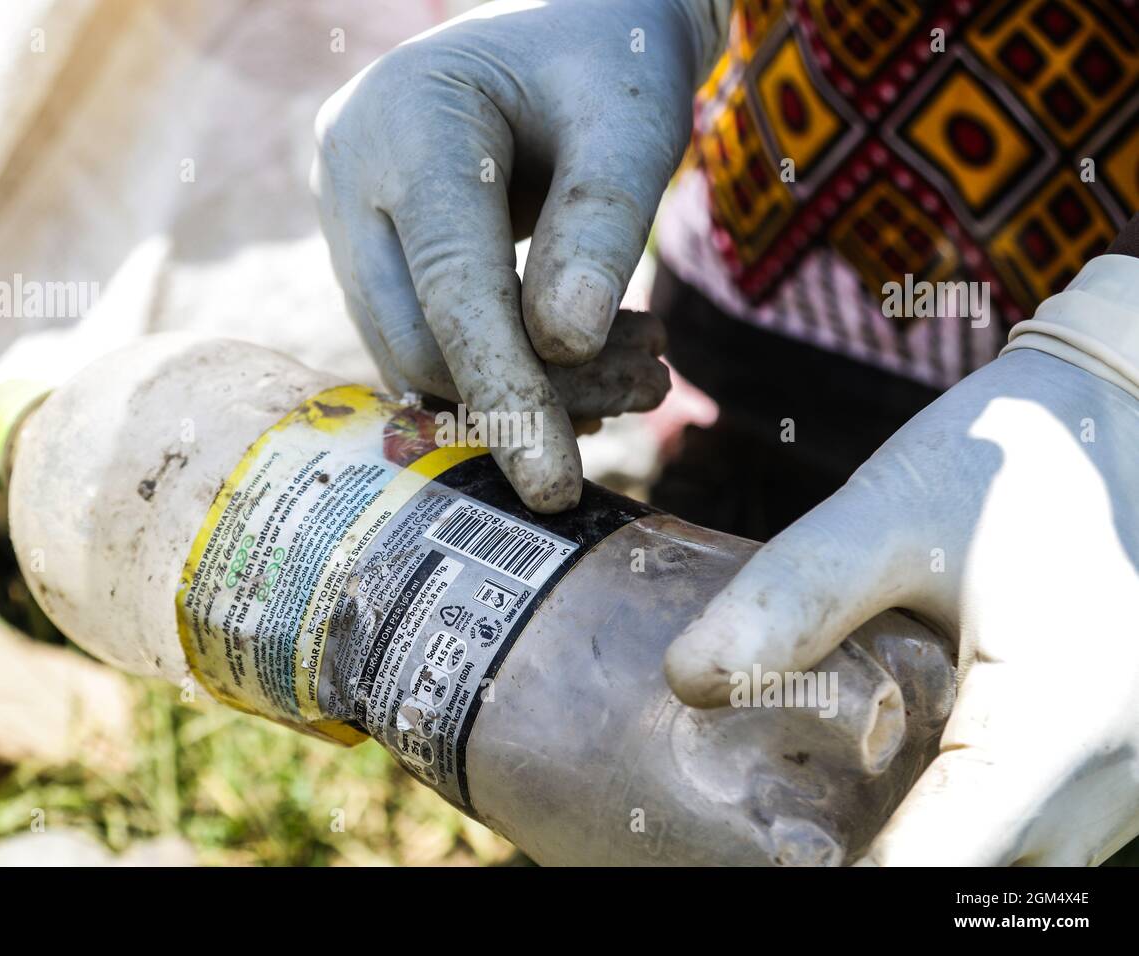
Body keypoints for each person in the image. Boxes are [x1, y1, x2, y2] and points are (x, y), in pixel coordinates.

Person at [312, 0, 1139, 865]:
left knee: (1030, 792)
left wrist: (1117, 357)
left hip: (1083, 400)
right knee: (676, 734)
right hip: (785, 288)